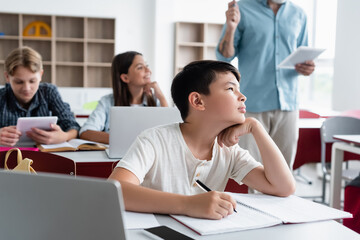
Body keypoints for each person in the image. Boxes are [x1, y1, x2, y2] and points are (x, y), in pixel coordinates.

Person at [108, 60, 295, 220]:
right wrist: (188, 205)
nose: (242, 97)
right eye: (231, 89)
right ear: (197, 101)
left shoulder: (228, 150)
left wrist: (256, 127)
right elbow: (115, 191)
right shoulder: (154, 140)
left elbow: (283, 187)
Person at [216, 0, 315, 170]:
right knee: (251, 169)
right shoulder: (242, 9)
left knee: (283, 171)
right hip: (253, 104)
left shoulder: (299, 14)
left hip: (288, 104)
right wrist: (231, 28)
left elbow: (303, 56)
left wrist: (307, 67)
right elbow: (224, 57)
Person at [79, 51, 168, 144]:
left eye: (147, 65)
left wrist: (161, 97)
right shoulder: (107, 102)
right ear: (125, 78)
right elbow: (86, 132)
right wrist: (125, 140)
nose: (148, 70)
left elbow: (169, 132)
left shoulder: (155, 101)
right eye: (140, 67)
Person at [0, 46, 80, 146]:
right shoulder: (1, 97)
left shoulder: (49, 92)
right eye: (19, 82)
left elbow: (73, 126)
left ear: (41, 75)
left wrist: (64, 136)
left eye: (32, 81)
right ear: (7, 77)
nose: (27, 88)